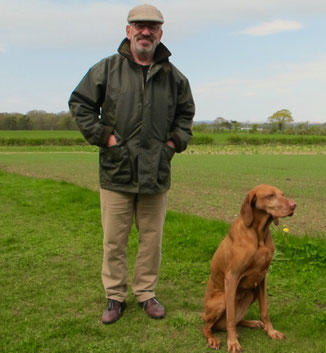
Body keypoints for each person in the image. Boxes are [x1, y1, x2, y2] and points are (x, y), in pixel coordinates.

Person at [68, 4, 195, 324]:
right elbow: (80, 103)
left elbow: (185, 118)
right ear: (128, 31)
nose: (145, 31)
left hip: (156, 172)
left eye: (152, 27)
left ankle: (146, 293)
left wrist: (170, 147)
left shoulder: (175, 78)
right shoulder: (107, 69)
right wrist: (104, 137)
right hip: (116, 169)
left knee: (152, 239)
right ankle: (114, 296)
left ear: (160, 34)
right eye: (139, 25)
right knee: (114, 239)